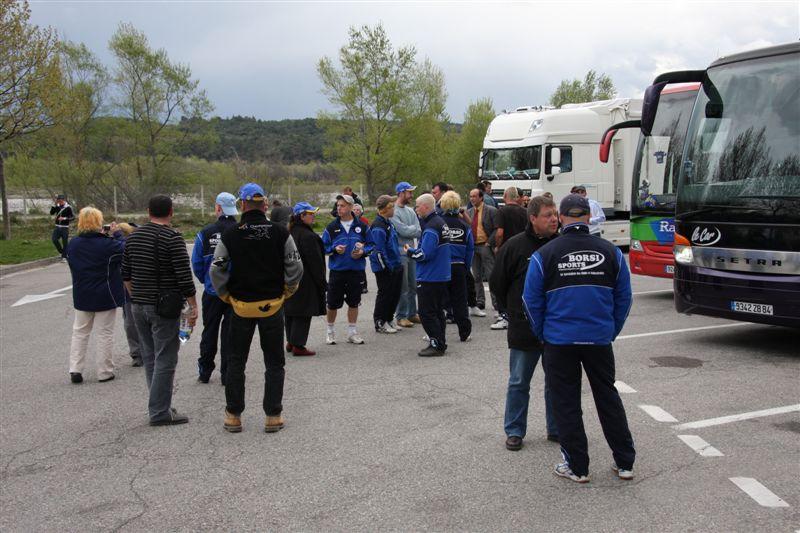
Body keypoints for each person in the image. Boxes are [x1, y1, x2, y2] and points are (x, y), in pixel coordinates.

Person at [522, 193, 635, 483]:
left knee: (566, 402)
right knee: (607, 397)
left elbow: (530, 301)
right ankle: (625, 462)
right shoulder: (611, 252)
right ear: (588, 216)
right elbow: (624, 298)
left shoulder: (544, 254)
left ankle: (577, 466)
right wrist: (610, 329)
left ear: (561, 218)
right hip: (598, 339)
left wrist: (543, 333)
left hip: (559, 340)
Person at [210, 183, 303, 433]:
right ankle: (273, 415)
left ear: (242, 205)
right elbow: (295, 265)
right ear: (265, 205)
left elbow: (216, 268)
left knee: (236, 361)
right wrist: (288, 290)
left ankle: (233, 415)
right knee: (274, 363)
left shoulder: (230, 234)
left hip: (240, 306)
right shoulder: (281, 232)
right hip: (271, 305)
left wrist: (225, 295)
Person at [490, 196, 560, 451]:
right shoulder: (515, 246)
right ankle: (515, 430)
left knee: (556, 381)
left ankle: (556, 427)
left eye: (555, 214)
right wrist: (513, 311)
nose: (554, 219)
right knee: (519, 381)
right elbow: (497, 282)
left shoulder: (561, 245)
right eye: (547, 215)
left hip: (556, 327)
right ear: (533, 218)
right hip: (524, 327)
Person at [122, 194, 198, 426]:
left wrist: (136, 295)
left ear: (148, 211)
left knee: (150, 356)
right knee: (166, 357)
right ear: (171, 212)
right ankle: (159, 411)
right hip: (163, 304)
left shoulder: (133, 238)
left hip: (138, 304)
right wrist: (193, 305)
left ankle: (159, 403)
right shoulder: (172, 238)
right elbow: (184, 276)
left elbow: (125, 273)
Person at [65, 207, 125, 384]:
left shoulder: (73, 244)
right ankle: (104, 371)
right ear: (99, 223)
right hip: (105, 294)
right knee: (104, 333)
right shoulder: (107, 244)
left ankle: (75, 368)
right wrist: (117, 234)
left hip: (82, 293)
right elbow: (126, 249)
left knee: (80, 332)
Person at [191, 192, 239, 384]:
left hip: (212, 291)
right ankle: (227, 374)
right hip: (234, 292)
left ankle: (205, 371)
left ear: (218, 208)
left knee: (209, 330)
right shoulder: (241, 231)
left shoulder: (205, 232)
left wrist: (206, 280)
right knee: (230, 333)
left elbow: (197, 263)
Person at [405, 193, 451, 357]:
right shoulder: (441, 222)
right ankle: (440, 341)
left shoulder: (431, 227)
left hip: (430, 275)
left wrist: (410, 252)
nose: (416, 209)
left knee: (426, 312)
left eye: (417, 206)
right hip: (441, 274)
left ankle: (436, 343)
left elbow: (425, 254)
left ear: (425, 206)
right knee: (438, 311)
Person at [322, 194, 371, 345]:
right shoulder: (331, 227)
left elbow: (372, 245)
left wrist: (363, 252)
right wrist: (334, 249)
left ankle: (352, 333)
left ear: (350, 207)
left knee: (354, 303)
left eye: (342, 205)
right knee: (332, 304)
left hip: (356, 271)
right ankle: (330, 332)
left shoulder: (362, 226)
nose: (339, 208)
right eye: (337, 205)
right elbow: (323, 247)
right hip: (337, 271)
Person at [285, 202, 327, 356]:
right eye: (310, 213)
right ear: (302, 216)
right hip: (306, 280)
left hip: (289, 278)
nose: (313, 216)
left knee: (290, 311)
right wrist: (322, 283)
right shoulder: (308, 236)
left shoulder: (289, 233)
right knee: (303, 312)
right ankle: (298, 345)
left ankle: (291, 341)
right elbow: (315, 263)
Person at [491, 187, 529, 331]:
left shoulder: (502, 211)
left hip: (507, 251)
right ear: (517, 197)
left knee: (502, 282)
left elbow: (499, 232)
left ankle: (505, 315)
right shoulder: (525, 212)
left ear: (505, 196)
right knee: (520, 282)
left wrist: (497, 247)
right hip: (523, 250)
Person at [440, 191, 473, 342]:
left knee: (438, 300)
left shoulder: (438, 223)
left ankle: (436, 332)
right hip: (459, 266)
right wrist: (466, 266)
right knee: (460, 300)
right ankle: (464, 332)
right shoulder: (464, 226)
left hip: (441, 267)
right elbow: (470, 249)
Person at [368, 195, 404, 333]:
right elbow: (378, 251)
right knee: (385, 295)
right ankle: (380, 322)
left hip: (395, 264)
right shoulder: (378, 226)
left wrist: (397, 265)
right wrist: (388, 267)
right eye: (392, 206)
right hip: (385, 268)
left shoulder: (389, 223)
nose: (394, 208)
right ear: (385, 208)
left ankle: (389, 318)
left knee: (394, 294)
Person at [391, 181, 422, 328]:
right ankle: (401, 316)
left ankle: (412, 313)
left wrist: (410, 230)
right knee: (403, 287)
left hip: (411, 252)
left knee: (413, 285)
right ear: (401, 193)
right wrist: (411, 229)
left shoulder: (410, 211)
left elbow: (419, 230)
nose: (411, 195)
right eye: (409, 192)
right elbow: (402, 231)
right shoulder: (393, 211)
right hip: (400, 253)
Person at [466, 188, 498, 318]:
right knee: (476, 276)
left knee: (491, 275)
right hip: (473, 246)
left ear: (481, 197)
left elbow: (496, 228)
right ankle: (480, 301)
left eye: (474, 196)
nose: (472, 199)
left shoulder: (491, 210)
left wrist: (490, 242)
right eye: (470, 196)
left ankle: (496, 303)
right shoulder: (469, 212)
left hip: (485, 245)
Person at [118, 222, 142, 367]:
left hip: (138, 289)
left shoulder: (129, 244)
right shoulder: (114, 246)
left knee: (132, 324)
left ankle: (140, 352)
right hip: (127, 292)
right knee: (131, 323)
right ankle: (138, 353)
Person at [50, 194, 75, 262]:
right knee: (54, 239)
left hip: (65, 227)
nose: (60, 202)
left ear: (64, 200)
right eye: (58, 201)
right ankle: (62, 252)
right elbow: (51, 213)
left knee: (65, 242)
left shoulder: (68, 207)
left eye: (61, 201)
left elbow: (73, 217)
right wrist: (54, 205)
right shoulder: (57, 206)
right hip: (57, 227)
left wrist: (64, 218)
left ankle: (64, 257)